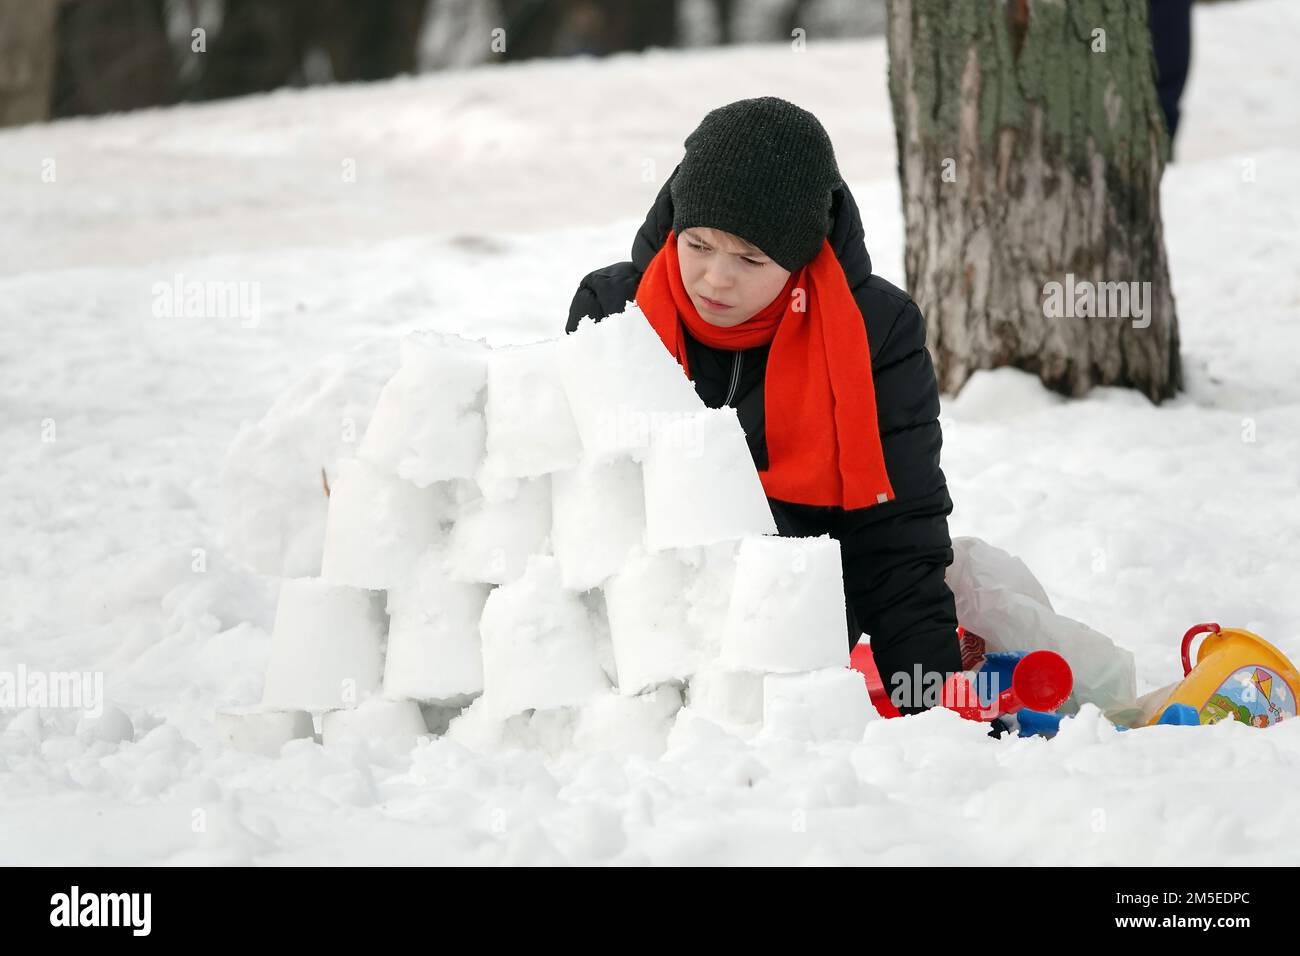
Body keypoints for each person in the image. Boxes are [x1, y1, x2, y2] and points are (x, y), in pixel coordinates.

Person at [565, 96, 961, 716]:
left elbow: (895, 536)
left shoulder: (874, 332)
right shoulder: (615, 312)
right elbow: (572, 507)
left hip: (787, 646)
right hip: (638, 650)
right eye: (698, 244)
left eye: (750, 259)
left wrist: (936, 707)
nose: (715, 279)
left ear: (802, 254)